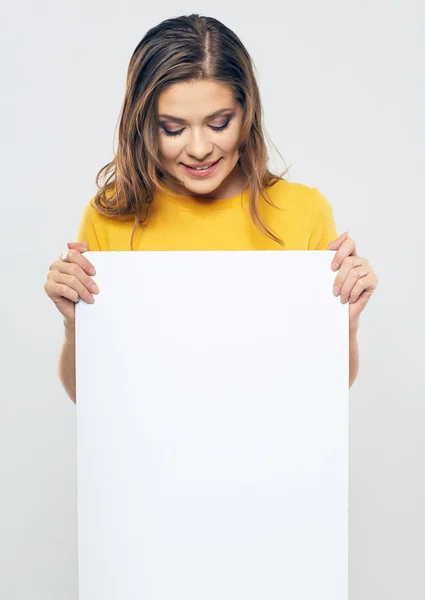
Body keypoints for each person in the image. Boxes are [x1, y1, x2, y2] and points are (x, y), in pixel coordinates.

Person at [44, 14, 378, 403]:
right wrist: (74, 324)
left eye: (219, 123)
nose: (200, 148)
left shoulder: (302, 210)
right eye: (172, 128)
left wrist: (347, 325)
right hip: (149, 458)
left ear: (246, 113)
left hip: (268, 456)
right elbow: (87, 398)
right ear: (143, 124)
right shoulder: (111, 215)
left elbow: (327, 393)